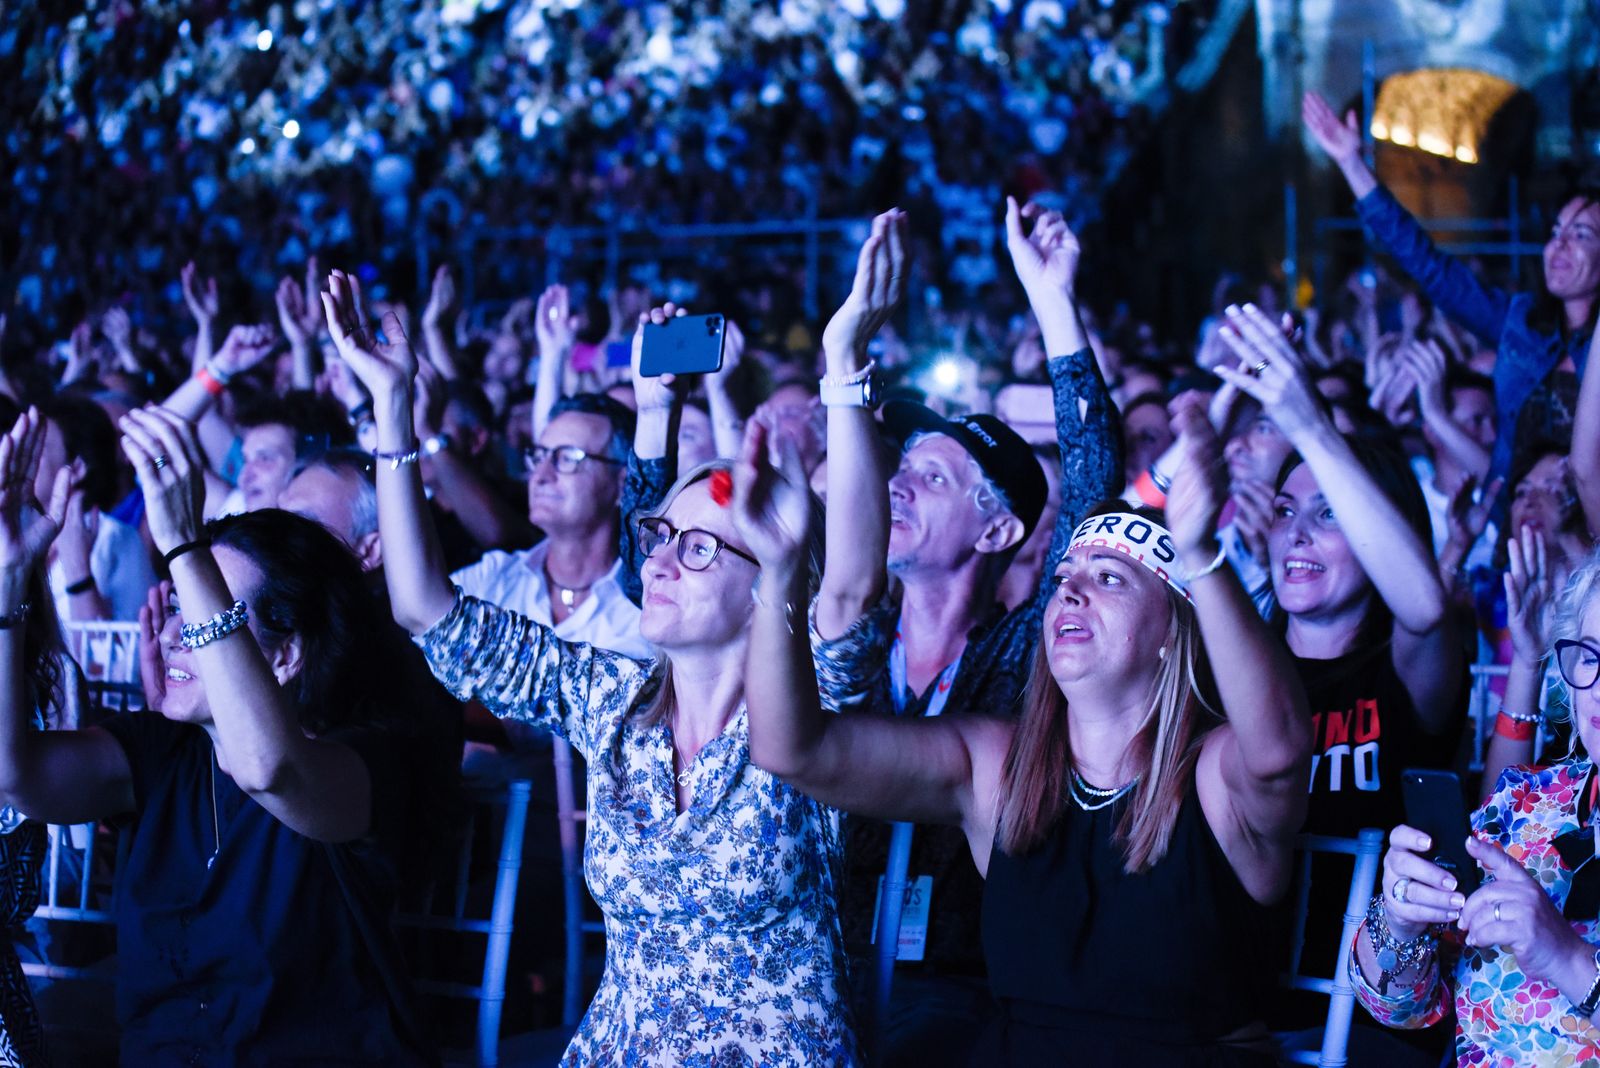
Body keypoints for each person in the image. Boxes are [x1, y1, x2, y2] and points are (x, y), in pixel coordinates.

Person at [321, 269, 863, 1065]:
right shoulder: (610, 697)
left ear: (773, 580)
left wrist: (844, 368)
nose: (666, 561)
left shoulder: (812, 717)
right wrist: (394, 407)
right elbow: (423, 608)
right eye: (662, 536)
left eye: (703, 545)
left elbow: (851, 588)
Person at [740, 362, 1312, 1064]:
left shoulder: (1214, 775)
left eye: (1109, 580)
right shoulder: (995, 766)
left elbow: (1280, 748)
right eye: (1065, 579)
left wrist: (1201, 554)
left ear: (1172, 633)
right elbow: (790, 750)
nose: (1070, 594)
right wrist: (779, 568)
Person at [0, 405, 448, 1065]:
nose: (180, 629)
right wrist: (9, 588)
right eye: (178, 604)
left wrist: (184, 547)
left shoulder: (361, 756)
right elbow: (16, 774)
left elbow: (270, 769)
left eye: (213, 611)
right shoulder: (162, 752)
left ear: (287, 655)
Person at [813, 203, 1121, 1063]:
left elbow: (1093, 487)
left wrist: (1053, 303)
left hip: (961, 984)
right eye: (902, 469)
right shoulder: (845, 632)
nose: (901, 488)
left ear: (996, 533)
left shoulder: (1026, 653)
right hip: (820, 965)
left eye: (936, 478)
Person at [1216, 301, 1466, 1060]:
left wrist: (1312, 427)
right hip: (1229, 1005)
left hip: (1371, 1012)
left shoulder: (1408, 662)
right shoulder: (1236, 660)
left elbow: (1424, 607)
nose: (1296, 533)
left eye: (1330, 516)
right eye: (1288, 511)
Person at [1353, 546, 1600, 1063]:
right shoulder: (1525, 802)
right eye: (1593, 657)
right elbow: (1404, 1008)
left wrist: (1568, 959)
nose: (1598, 689)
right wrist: (1401, 925)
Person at [1304, 91, 1599, 486]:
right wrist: (1351, 163)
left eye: (1580, 234)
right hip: (1516, 526)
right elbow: (1431, 267)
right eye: (1555, 232)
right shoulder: (1519, 322)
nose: (1559, 245)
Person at [450, 392, 649, 659]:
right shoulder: (496, 578)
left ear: (623, 484)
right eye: (539, 456)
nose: (541, 476)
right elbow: (416, 609)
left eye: (567, 458)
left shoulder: (646, 607)